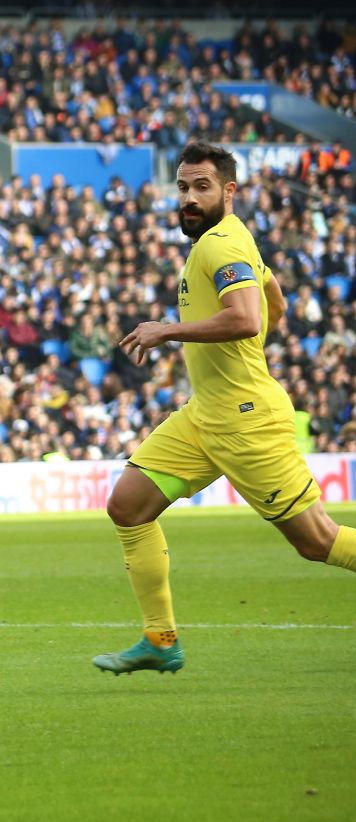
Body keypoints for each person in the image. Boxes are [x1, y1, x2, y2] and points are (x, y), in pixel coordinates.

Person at [99, 140, 356, 675]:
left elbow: (247, 318)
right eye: (183, 188)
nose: (189, 198)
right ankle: (160, 640)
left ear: (229, 190)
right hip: (205, 415)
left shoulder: (221, 245)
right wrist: (246, 356)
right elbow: (274, 301)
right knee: (127, 506)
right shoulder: (231, 240)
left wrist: (167, 330)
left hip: (245, 420)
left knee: (317, 541)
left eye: (202, 187)